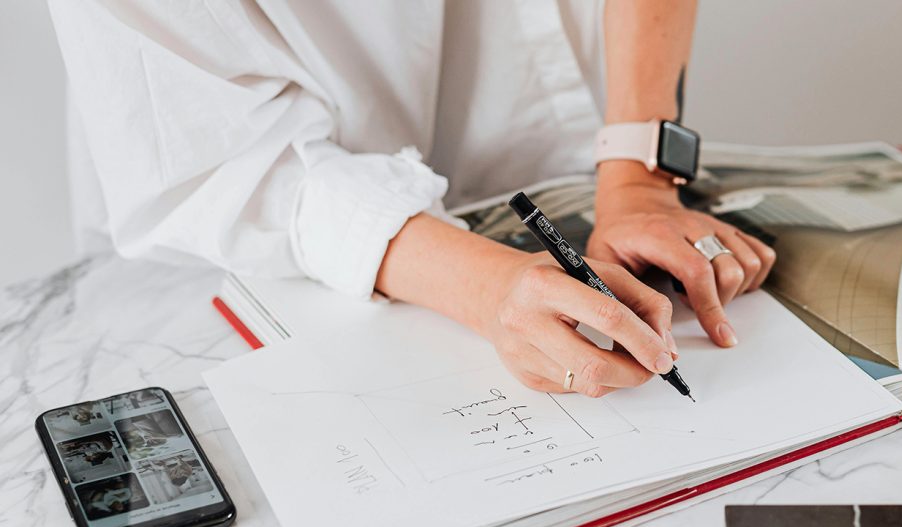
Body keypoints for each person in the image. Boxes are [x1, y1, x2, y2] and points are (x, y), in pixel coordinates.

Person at [49, 1, 775, 398]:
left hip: (550, 170)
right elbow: (220, 160)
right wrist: (485, 285)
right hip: (243, 238)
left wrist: (637, 174)